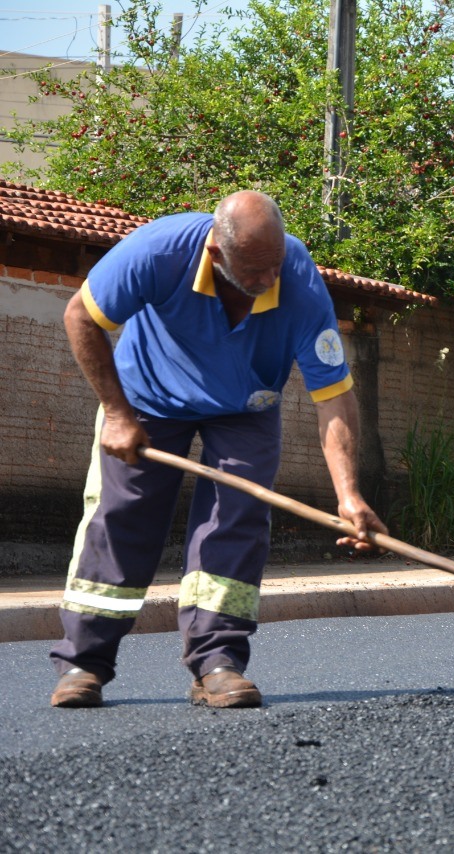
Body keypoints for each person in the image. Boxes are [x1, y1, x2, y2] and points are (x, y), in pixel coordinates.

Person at [50, 190, 388, 708]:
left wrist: (349, 495)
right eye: (253, 270)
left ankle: (217, 662)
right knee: (123, 518)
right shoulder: (157, 253)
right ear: (215, 254)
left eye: (274, 265)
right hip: (147, 399)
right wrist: (117, 414)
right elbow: (80, 317)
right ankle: (84, 663)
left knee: (238, 516)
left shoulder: (297, 280)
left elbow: (334, 397)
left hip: (246, 406)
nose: (267, 280)